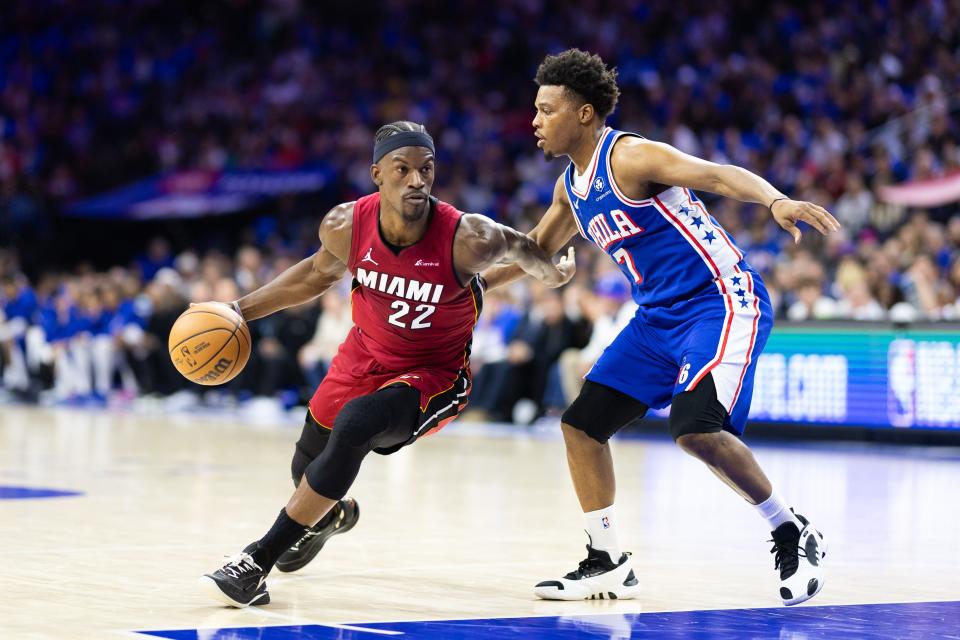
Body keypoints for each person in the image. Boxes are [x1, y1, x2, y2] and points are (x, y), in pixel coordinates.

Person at [482, 49, 841, 606]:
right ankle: (607, 562)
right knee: (581, 426)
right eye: (535, 109)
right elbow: (534, 252)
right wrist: (471, 286)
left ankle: (790, 527)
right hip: (656, 319)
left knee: (694, 428)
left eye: (547, 109)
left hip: (720, 301)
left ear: (582, 114)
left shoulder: (629, 156)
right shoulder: (568, 190)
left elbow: (716, 173)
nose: (534, 120)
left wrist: (776, 199)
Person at [199, 121, 576, 607]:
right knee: (305, 466)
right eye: (403, 170)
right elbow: (315, 275)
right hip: (364, 355)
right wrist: (240, 311)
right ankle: (332, 515)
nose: (417, 180)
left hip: (433, 374)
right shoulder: (345, 224)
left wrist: (553, 272)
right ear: (378, 174)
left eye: (426, 169)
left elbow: (525, 248)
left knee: (356, 425)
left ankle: (255, 561)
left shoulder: (468, 237)